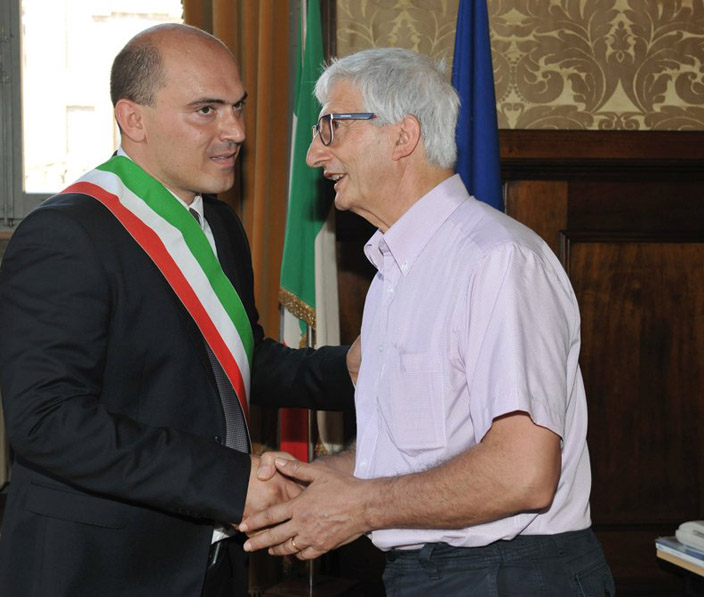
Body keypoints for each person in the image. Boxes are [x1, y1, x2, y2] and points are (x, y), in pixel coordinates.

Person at [0, 24, 358, 597]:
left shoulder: (221, 225)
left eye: (237, 107)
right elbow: (48, 421)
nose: (235, 131)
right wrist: (230, 483)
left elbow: (240, 360)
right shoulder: (65, 235)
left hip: (213, 561)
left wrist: (349, 369)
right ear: (133, 119)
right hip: (101, 567)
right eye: (206, 110)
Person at [240, 47, 615, 596]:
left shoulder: (497, 260)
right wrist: (323, 483)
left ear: (403, 136)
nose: (315, 155)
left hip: (509, 575)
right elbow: (418, 451)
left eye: (332, 128)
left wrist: (360, 507)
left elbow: (523, 474)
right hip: (436, 574)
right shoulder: (393, 273)